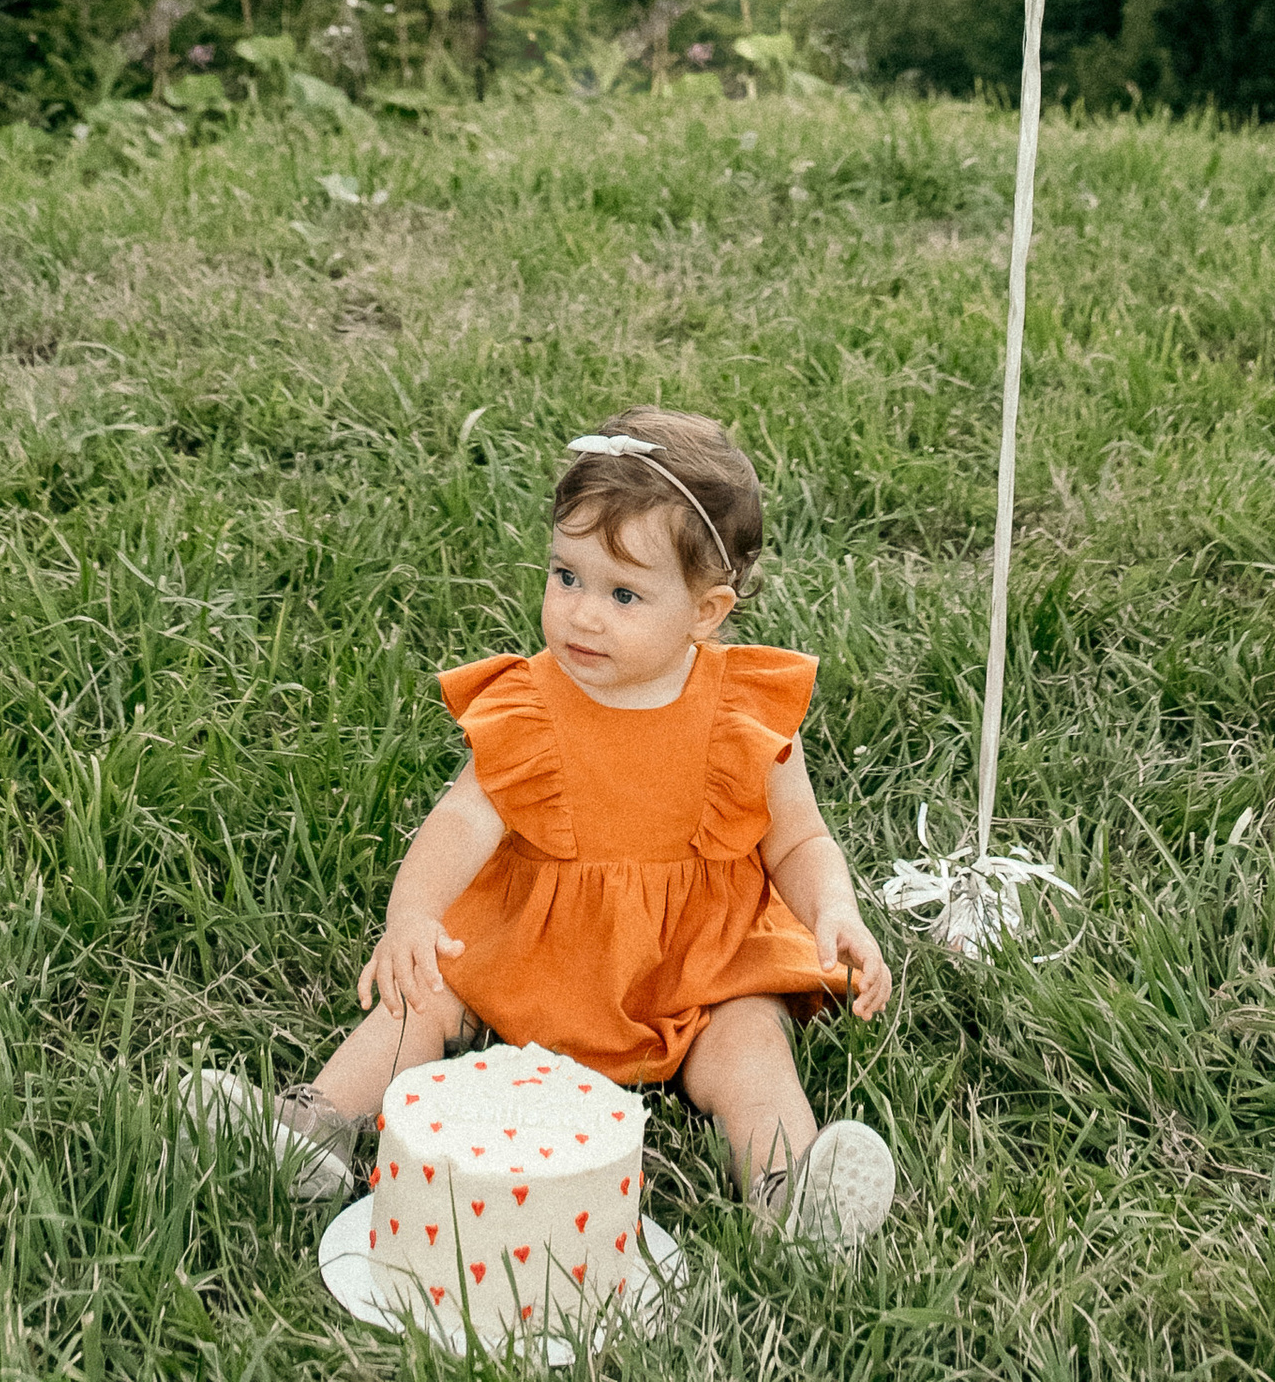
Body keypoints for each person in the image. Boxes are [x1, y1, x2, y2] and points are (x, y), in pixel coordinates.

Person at [191, 406, 898, 1250]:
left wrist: (835, 912)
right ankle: (314, 1126)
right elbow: (459, 819)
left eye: (623, 593)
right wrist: (412, 914)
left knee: (748, 1041)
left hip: (694, 962)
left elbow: (799, 841)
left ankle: (786, 1185)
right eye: (567, 576)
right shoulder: (532, 706)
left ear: (705, 613)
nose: (582, 614)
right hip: (535, 952)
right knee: (429, 994)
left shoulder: (743, 711)